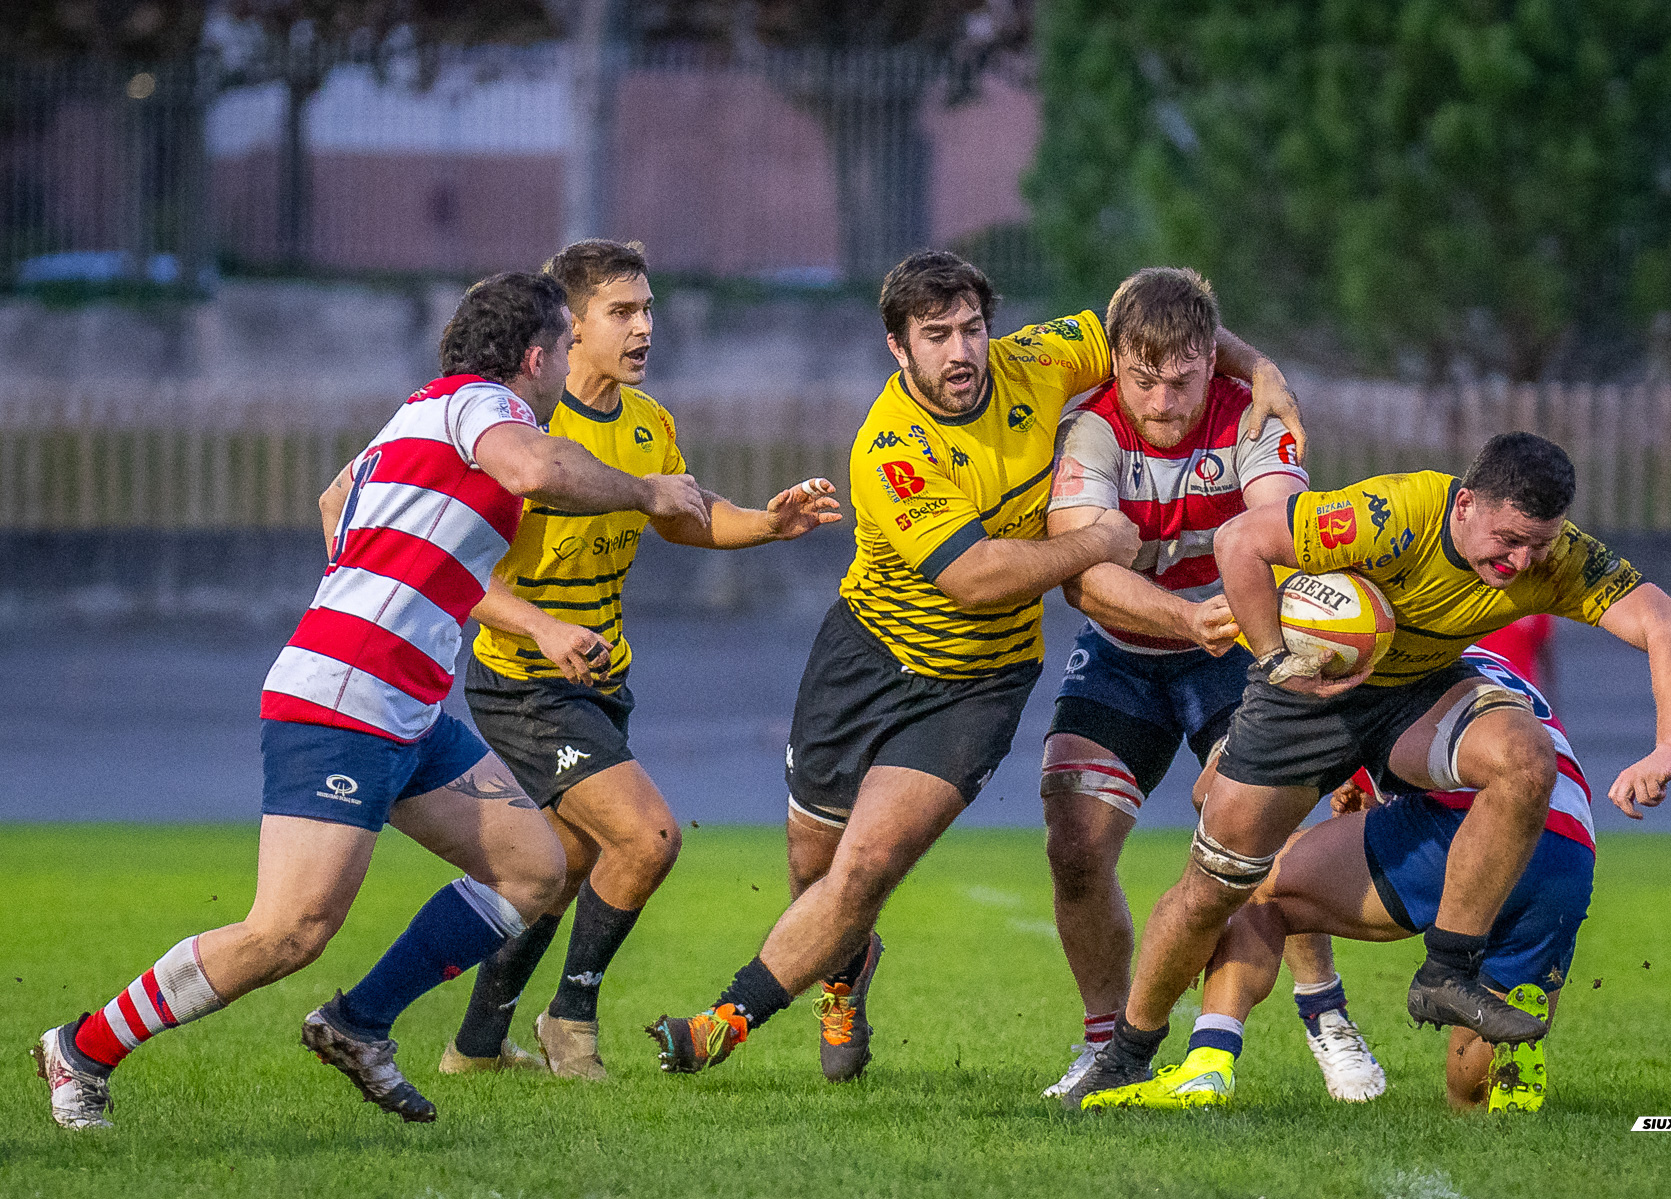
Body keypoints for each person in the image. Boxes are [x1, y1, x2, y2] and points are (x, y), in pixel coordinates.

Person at [31, 272, 710, 1129]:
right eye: (565, 344)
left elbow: (334, 497)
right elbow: (536, 469)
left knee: (532, 867)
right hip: (344, 702)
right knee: (288, 931)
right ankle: (82, 1046)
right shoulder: (482, 406)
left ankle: (359, 1023)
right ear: (537, 357)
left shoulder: (420, 413)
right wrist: (648, 489)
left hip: (406, 707)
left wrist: (377, 582)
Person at [646, 250, 1305, 1082]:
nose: (961, 351)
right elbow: (973, 576)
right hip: (867, 655)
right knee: (815, 863)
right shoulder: (890, 448)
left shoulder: (1040, 359)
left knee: (867, 865)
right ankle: (845, 976)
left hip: (978, 682)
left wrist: (1261, 367)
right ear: (898, 347)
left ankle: (721, 1022)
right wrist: (1095, 542)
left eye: (971, 328)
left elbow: (1160, 331)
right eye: (936, 335)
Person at [1071, 431, 1671, 1108]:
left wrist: (1667, 749)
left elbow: (1670, 628)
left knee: (1525, 758)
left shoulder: (1561, 558)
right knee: (1215, 885)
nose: (1522, 561)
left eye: (1539, 545)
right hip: (1309, 689)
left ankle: (1447, 969)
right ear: (1465, 504)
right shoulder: (1391, 515)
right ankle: (1127, 1054)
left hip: (1417, 692)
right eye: (1510, 540)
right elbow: (1238, 541)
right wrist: (1277, 659)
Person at [440, 240, 841, 1080]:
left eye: (648, 309)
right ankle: (570, 1019)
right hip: (521, 680)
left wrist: (770, 523)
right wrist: (541, 629)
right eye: (622, 312)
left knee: (560, 865)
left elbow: (683, 513)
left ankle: (475, 1045)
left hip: (600, 678)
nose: (644, 327)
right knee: (648, 837)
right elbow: (452, 568)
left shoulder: (648, 422)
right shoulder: (518, 427)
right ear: (571, 327)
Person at [1030, 266, 1382, 1102]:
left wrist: (1231, 617)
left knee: (1258, 827)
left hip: (1235, 650)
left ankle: (1324, 1009)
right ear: (1117, 362)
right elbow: (1081, 577)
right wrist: (1185, 617)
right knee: (1073, 845)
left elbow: (1281, 529)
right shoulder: (1090, 428)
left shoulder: (1254, 414)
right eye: (1142, 380)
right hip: (1123, 650)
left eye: (1182, 381)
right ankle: (1105, 1041)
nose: (1161, 402)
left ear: (1210, 361)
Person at [1095, 644, 1599, 1112]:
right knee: (1470, 1090)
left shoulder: (1369, 662)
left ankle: (1211, 1062)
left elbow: (1211, 795)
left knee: (1258, 883)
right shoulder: (1491, 666)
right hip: (1567, 853)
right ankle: (1502, 1067)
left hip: (1463, 831)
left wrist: (1253, 739)